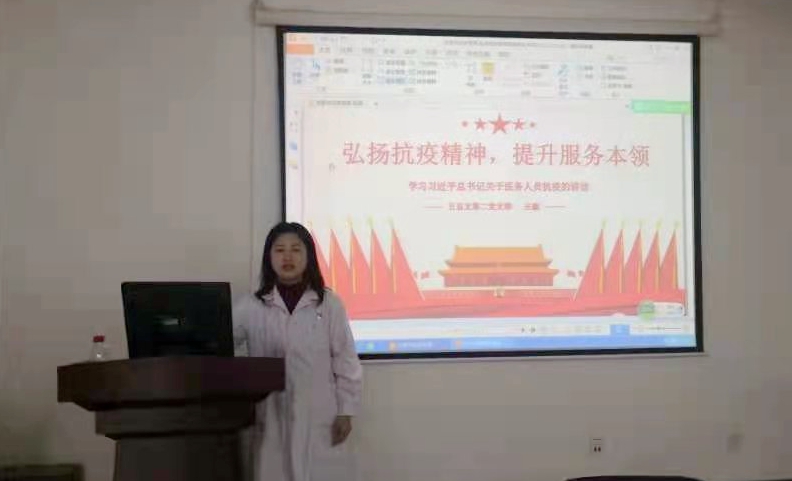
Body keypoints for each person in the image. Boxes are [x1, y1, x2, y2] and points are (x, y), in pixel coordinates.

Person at [233, 222, 363, 481]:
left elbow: (346, 359)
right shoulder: (250, 306)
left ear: (308, 256)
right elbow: (220, 343)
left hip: (320, 415)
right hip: (271, 414)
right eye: (280, 250)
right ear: (269, 257)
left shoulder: (329, 304)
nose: (288, 257)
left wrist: (345, 411)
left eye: (295, 249)